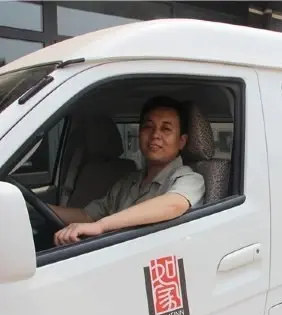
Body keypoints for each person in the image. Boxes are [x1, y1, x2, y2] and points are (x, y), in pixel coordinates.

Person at [49, 95, 205, 246]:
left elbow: (173, 205)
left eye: (166, 129)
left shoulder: (190, 178)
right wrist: (41, 209)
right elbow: (87, 216)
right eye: (148, 127)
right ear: (139, 133)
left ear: (181, 141)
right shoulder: (128, 181)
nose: (155, 135)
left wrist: (101, 226)